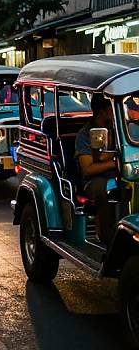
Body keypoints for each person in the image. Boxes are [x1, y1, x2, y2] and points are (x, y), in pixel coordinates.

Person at [75, 94, 117, 244]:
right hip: (94, 181)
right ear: (103, 111)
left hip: (120, 174)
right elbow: (87, 169)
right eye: (112, 108)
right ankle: (110, 240)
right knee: (107, 191)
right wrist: (115, 163)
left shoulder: (119, 130)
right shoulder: (85, 135)